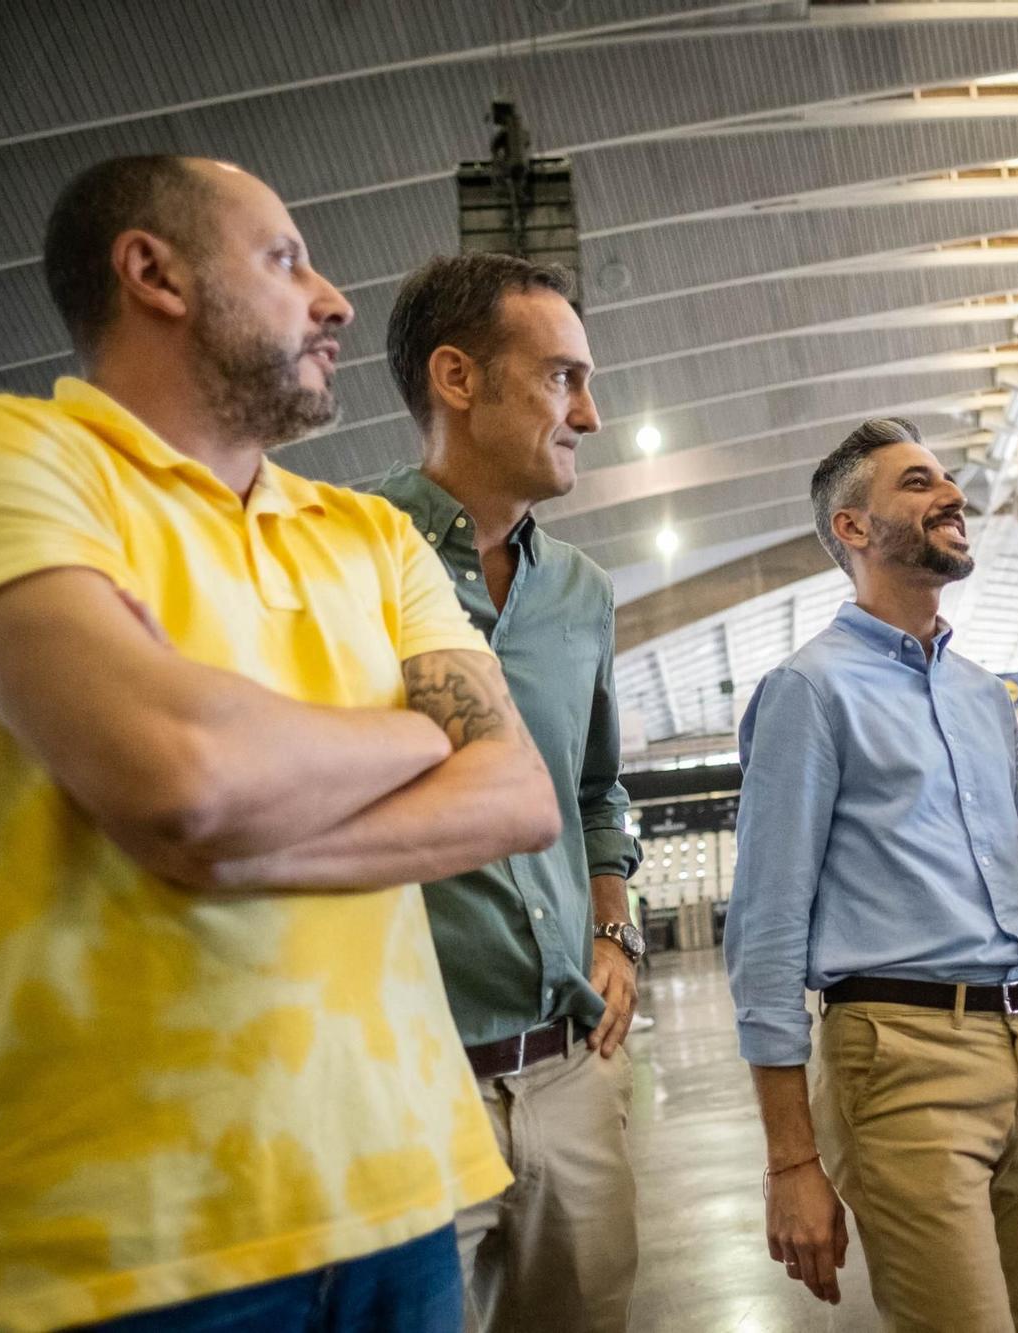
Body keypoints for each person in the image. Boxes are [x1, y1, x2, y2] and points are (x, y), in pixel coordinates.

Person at [0, 157, 561, 1331]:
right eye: (283, 259)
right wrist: (414, 729)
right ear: (151, 272)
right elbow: (184, 777)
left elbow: (515, 792)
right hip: (109, 1245)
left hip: (398, 1193)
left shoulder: (366, 534)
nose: (334, 300)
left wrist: (236, 836)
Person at [724, 418, 1018, 1332]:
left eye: (948, 481)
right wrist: (790, 1158)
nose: (952, 496)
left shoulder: (980, 693)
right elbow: (766, 929)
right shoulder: (810, 691)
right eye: (918, 483)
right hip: (902, 1058)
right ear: (853, 528)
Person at [378, 254, 647, 1331]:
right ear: (457, 377)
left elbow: (595, 788)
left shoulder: (581, 591)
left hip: (566, 1067)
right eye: (561, 379)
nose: (590, 412)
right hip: (408, 1086)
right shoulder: (339, 551)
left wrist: (616, 928)